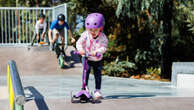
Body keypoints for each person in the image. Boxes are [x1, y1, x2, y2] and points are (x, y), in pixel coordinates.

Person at [76, 13, 108, 99]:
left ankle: (97, 90)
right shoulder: (85, 34)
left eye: (95, 30)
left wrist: (97, 51)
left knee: (97, 74)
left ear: (100, 28)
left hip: (97, 59)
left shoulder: (103, 37)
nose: (92, 32)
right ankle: (85, 87)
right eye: (90, 30)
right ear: (87, 29)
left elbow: (104, 47)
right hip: (87, 57)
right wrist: (80, 50)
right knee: (86, 71)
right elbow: (79, 43)